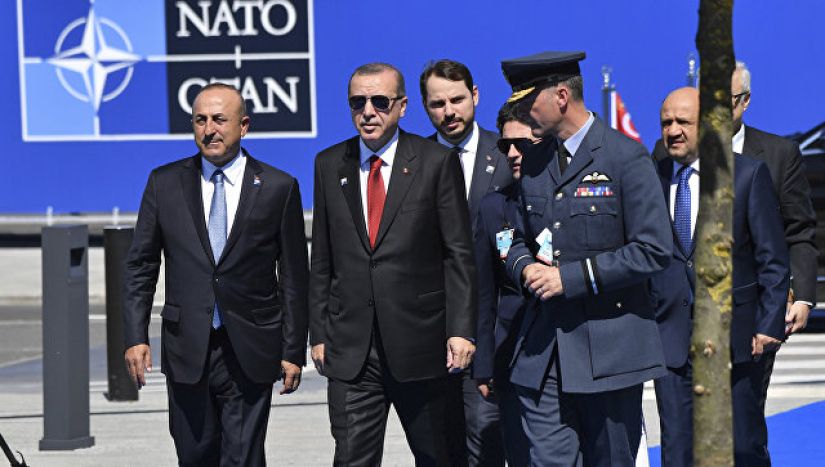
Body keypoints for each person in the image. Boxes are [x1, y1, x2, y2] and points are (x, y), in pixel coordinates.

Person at [123, 82, 309, 466]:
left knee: (243, 457)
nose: (209, 129)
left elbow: (293, 277)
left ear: (244, 126)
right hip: (187, 347)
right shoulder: (164, 183)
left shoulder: (278, 187)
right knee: (195, 455)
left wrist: (293, 350)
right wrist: (135, 336)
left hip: (251, 348)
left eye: (220, 120)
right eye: (200, 120)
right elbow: (141, 266)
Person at [500, 50, 671, 466]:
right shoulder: (534, 161)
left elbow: (653, 249)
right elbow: (510, 235)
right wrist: (524, 266)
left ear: (561, 96)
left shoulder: (625, 157)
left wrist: (570, 278)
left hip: (609, 352)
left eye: (528, 102)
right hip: (544, 352)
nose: (522, 113)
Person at [309, 62, 477, 466]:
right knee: (352, 459)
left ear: (402, 106)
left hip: (422, 346)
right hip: (352, 351)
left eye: (380, 102)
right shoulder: (329, 164)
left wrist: (460, 330)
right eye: (358, 102)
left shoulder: (436, 161)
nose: (368, 112)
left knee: (439, 456)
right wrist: (319, 332)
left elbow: (457, 253)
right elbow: (322, 260)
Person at [652, 87, 789, 467]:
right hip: (672, 341)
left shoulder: (747, 175)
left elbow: (772, 258)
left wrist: (769, 323)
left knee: (743, 446)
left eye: (683, 122)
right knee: (677, 451)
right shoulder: (652, 177)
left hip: (736, 340)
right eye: (666, 122)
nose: (673, 131)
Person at [420, 58, 512, 467]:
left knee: (487, 443)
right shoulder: (414, 161)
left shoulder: (506, 155)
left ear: (474, 96)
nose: (449, 112)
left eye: (456, 100)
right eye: (437, 104)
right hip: (430, 331)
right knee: (438, 448)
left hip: (491, 328)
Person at [730, 61, 818, 409]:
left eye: (727, 100)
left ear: (746, 100)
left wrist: (803, 297)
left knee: (746, 416)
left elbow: (798, 229)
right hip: (688, 311)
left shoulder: (780, 155)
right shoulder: (672, 152)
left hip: (754, 309)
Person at [473, 102, 539, 467]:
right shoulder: (494, 207)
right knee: (518, 452)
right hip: (512, 352)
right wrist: (485, 364)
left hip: (568, 349)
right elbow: (485, 293)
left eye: (521, 144)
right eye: (505, 145)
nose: (512, 153)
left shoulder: (571, 199)